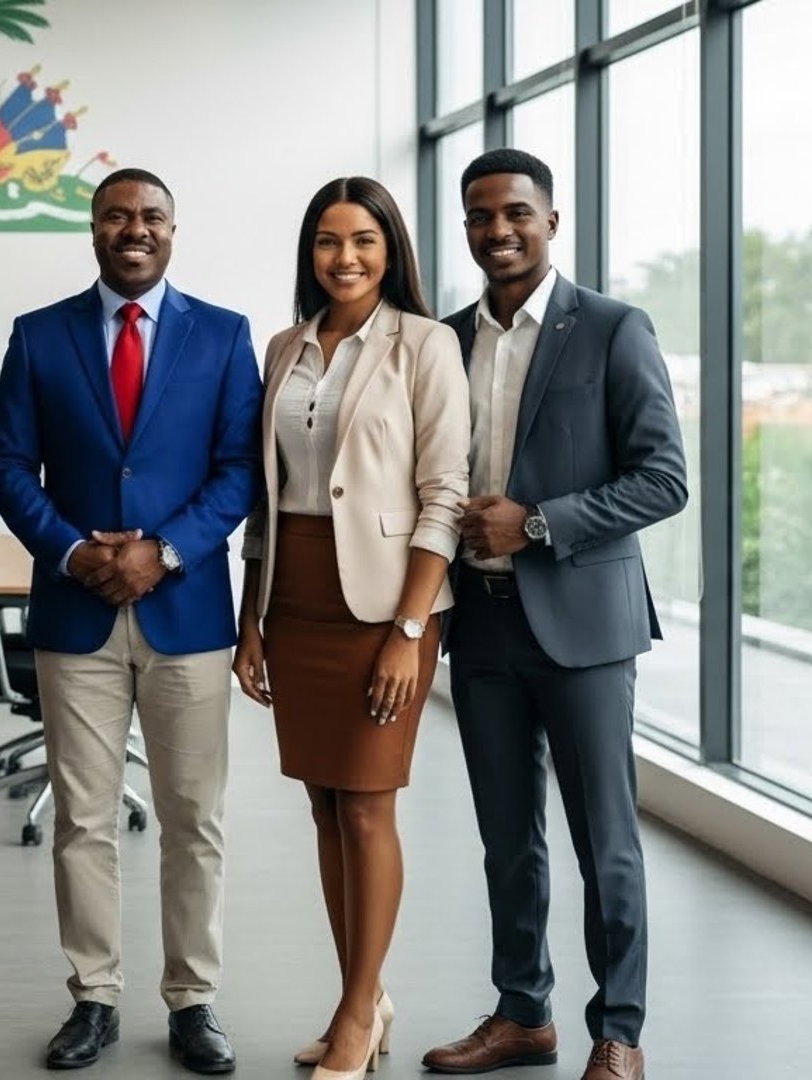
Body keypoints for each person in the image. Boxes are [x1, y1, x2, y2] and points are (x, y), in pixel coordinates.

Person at [0, 167, 261, 1075]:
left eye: (150, 217)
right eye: (116, 216)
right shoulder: (38, 337)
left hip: (187, 611)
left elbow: (237, 472)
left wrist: (164, 552)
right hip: (75, 614)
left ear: (173, 230)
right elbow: (9, 464)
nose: (132, 229)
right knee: (82, 819)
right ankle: (93, 996)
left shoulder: (224, 337)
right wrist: (74, 551)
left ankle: (193, 1001)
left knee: (193, 818)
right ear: (93, 229)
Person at [419, 148, 686, 1080]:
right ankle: (523, 1013)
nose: (499, 231)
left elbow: (664, 478)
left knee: (603, 841)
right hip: (481, 625)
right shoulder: (443, 339)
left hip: (583, 627)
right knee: (506, 840)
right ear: (465, 229)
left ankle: (619, 1031)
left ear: (551, 222)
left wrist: (537, 523)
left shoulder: (613, 328)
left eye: (517, 214)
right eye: (481, 217)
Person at [233, 177, 469, 1080]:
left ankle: (358, 1011)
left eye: (363, 240)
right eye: (328, 242)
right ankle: (361, 999)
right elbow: (267, 495)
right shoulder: (285, 345)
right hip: (292, 597)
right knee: (325, 809)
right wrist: (250, 621)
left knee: (368, 809)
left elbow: (443, 492)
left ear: (390, 247)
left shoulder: (425, 344)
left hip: (381, 606)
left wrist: (412, 628)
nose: (346, 258)